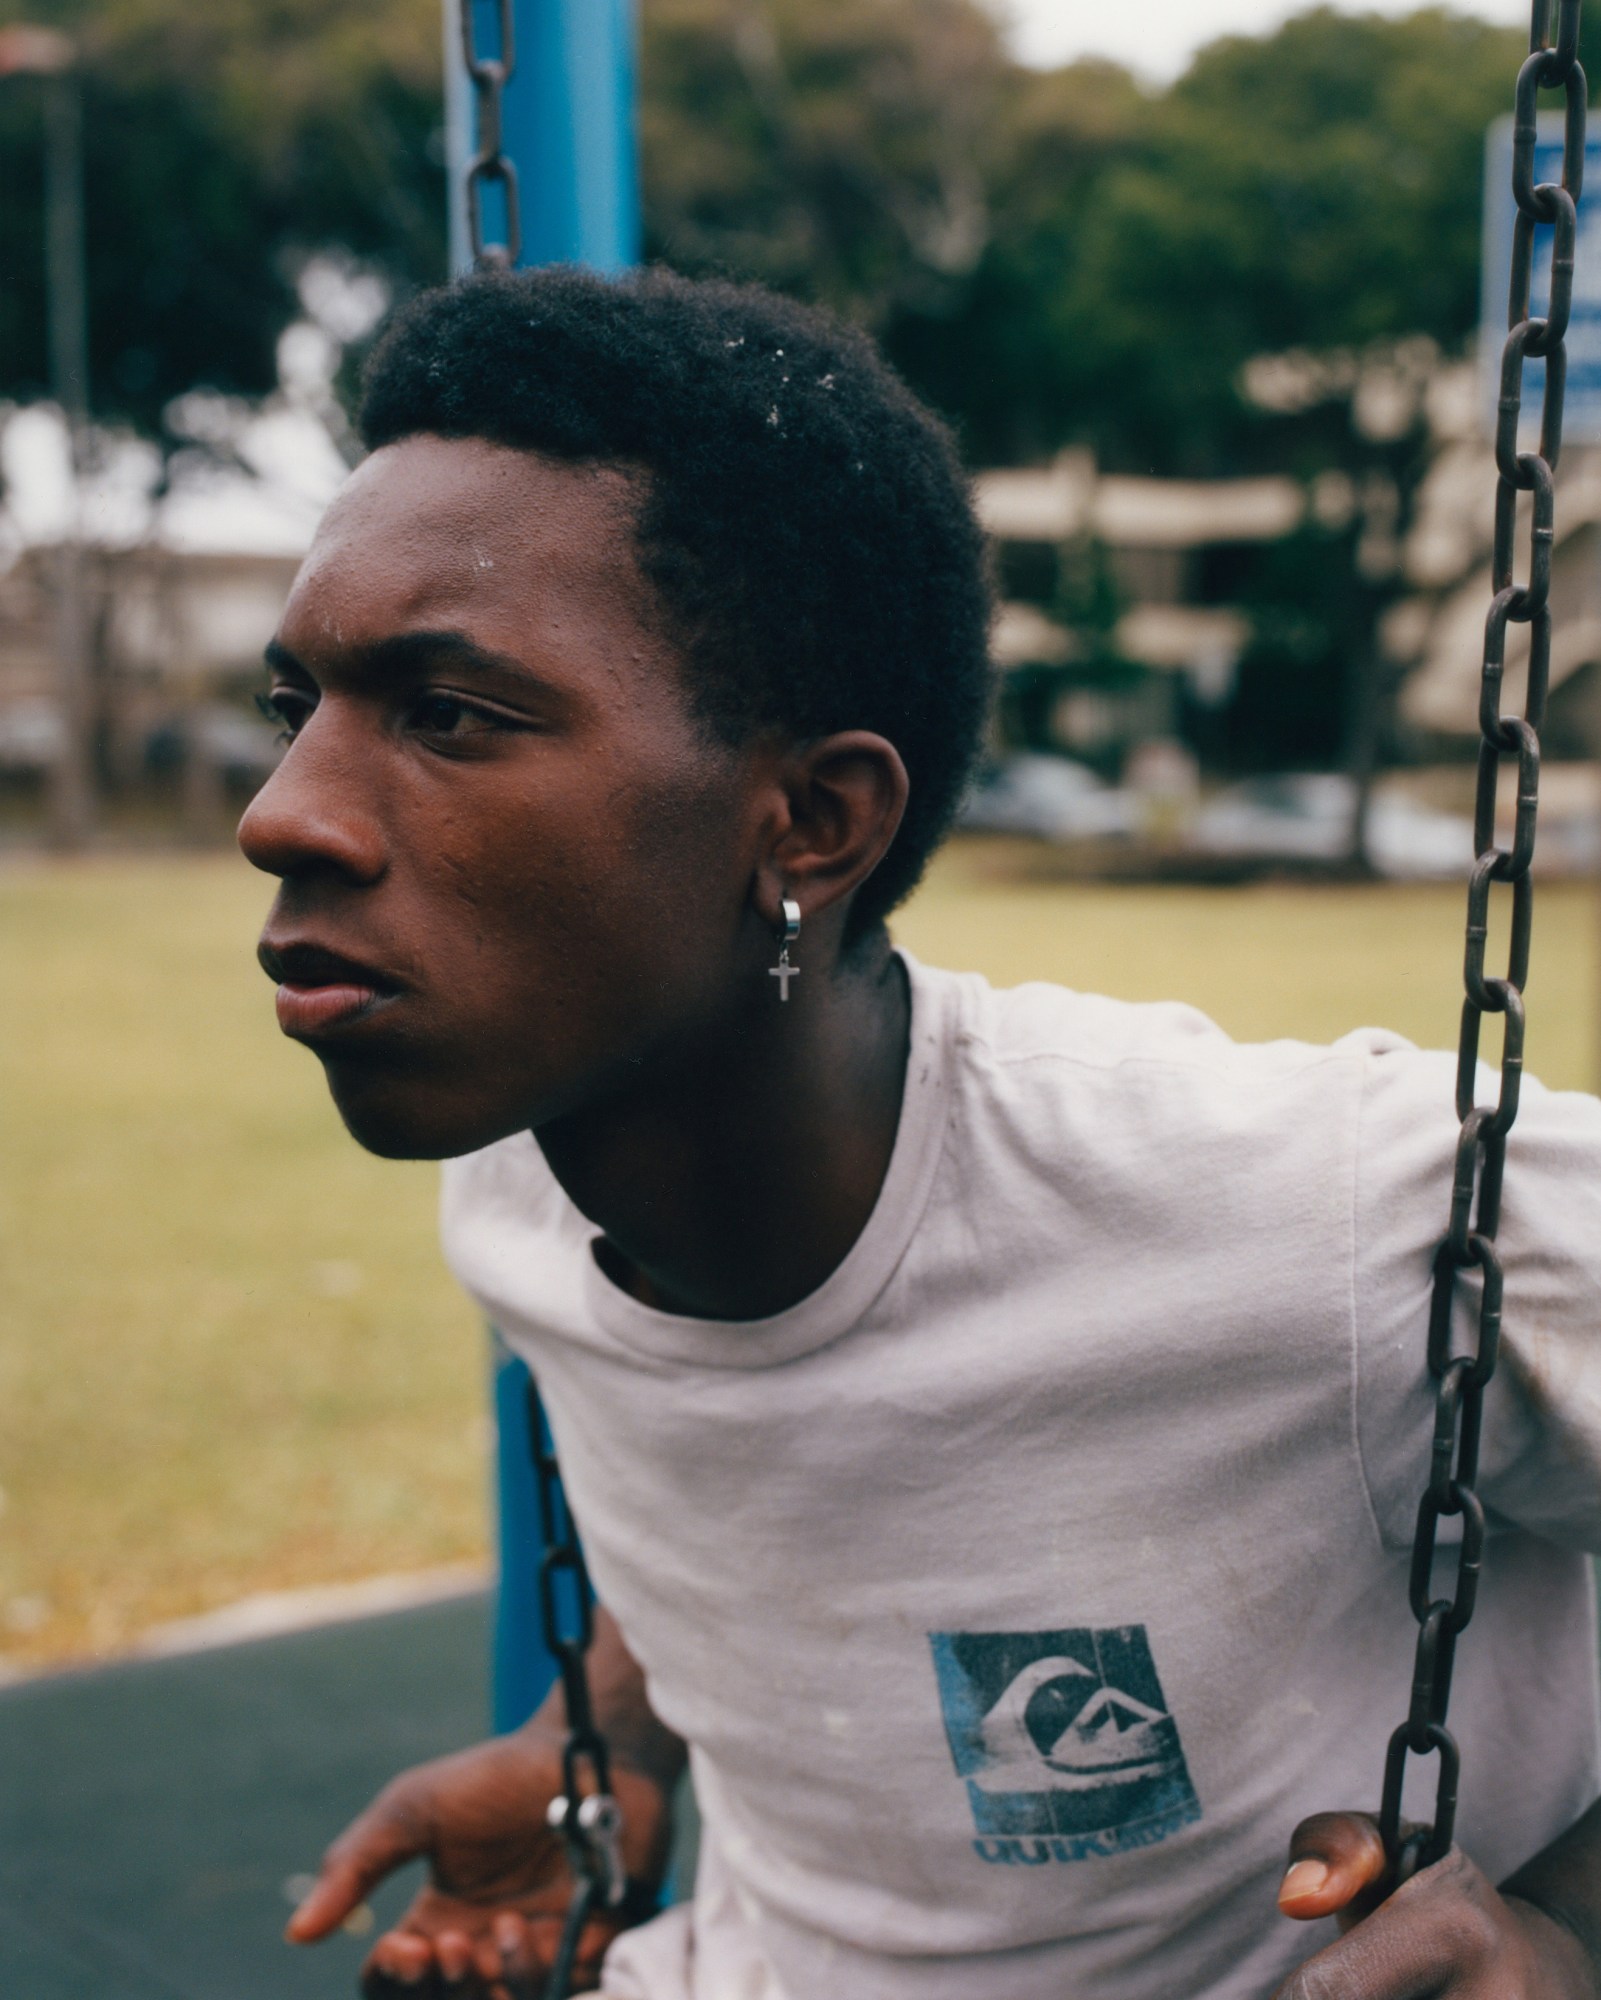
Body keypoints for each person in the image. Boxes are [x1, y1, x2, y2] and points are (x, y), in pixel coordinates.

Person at [239, 265, 1601, 2000]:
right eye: (300, 708)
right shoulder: (516, 1182)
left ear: (810, 821)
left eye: (450, 715)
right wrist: (607, 1742)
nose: (281, 814)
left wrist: (1567, 1922)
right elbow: (792, 1477)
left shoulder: (1314, 1209)